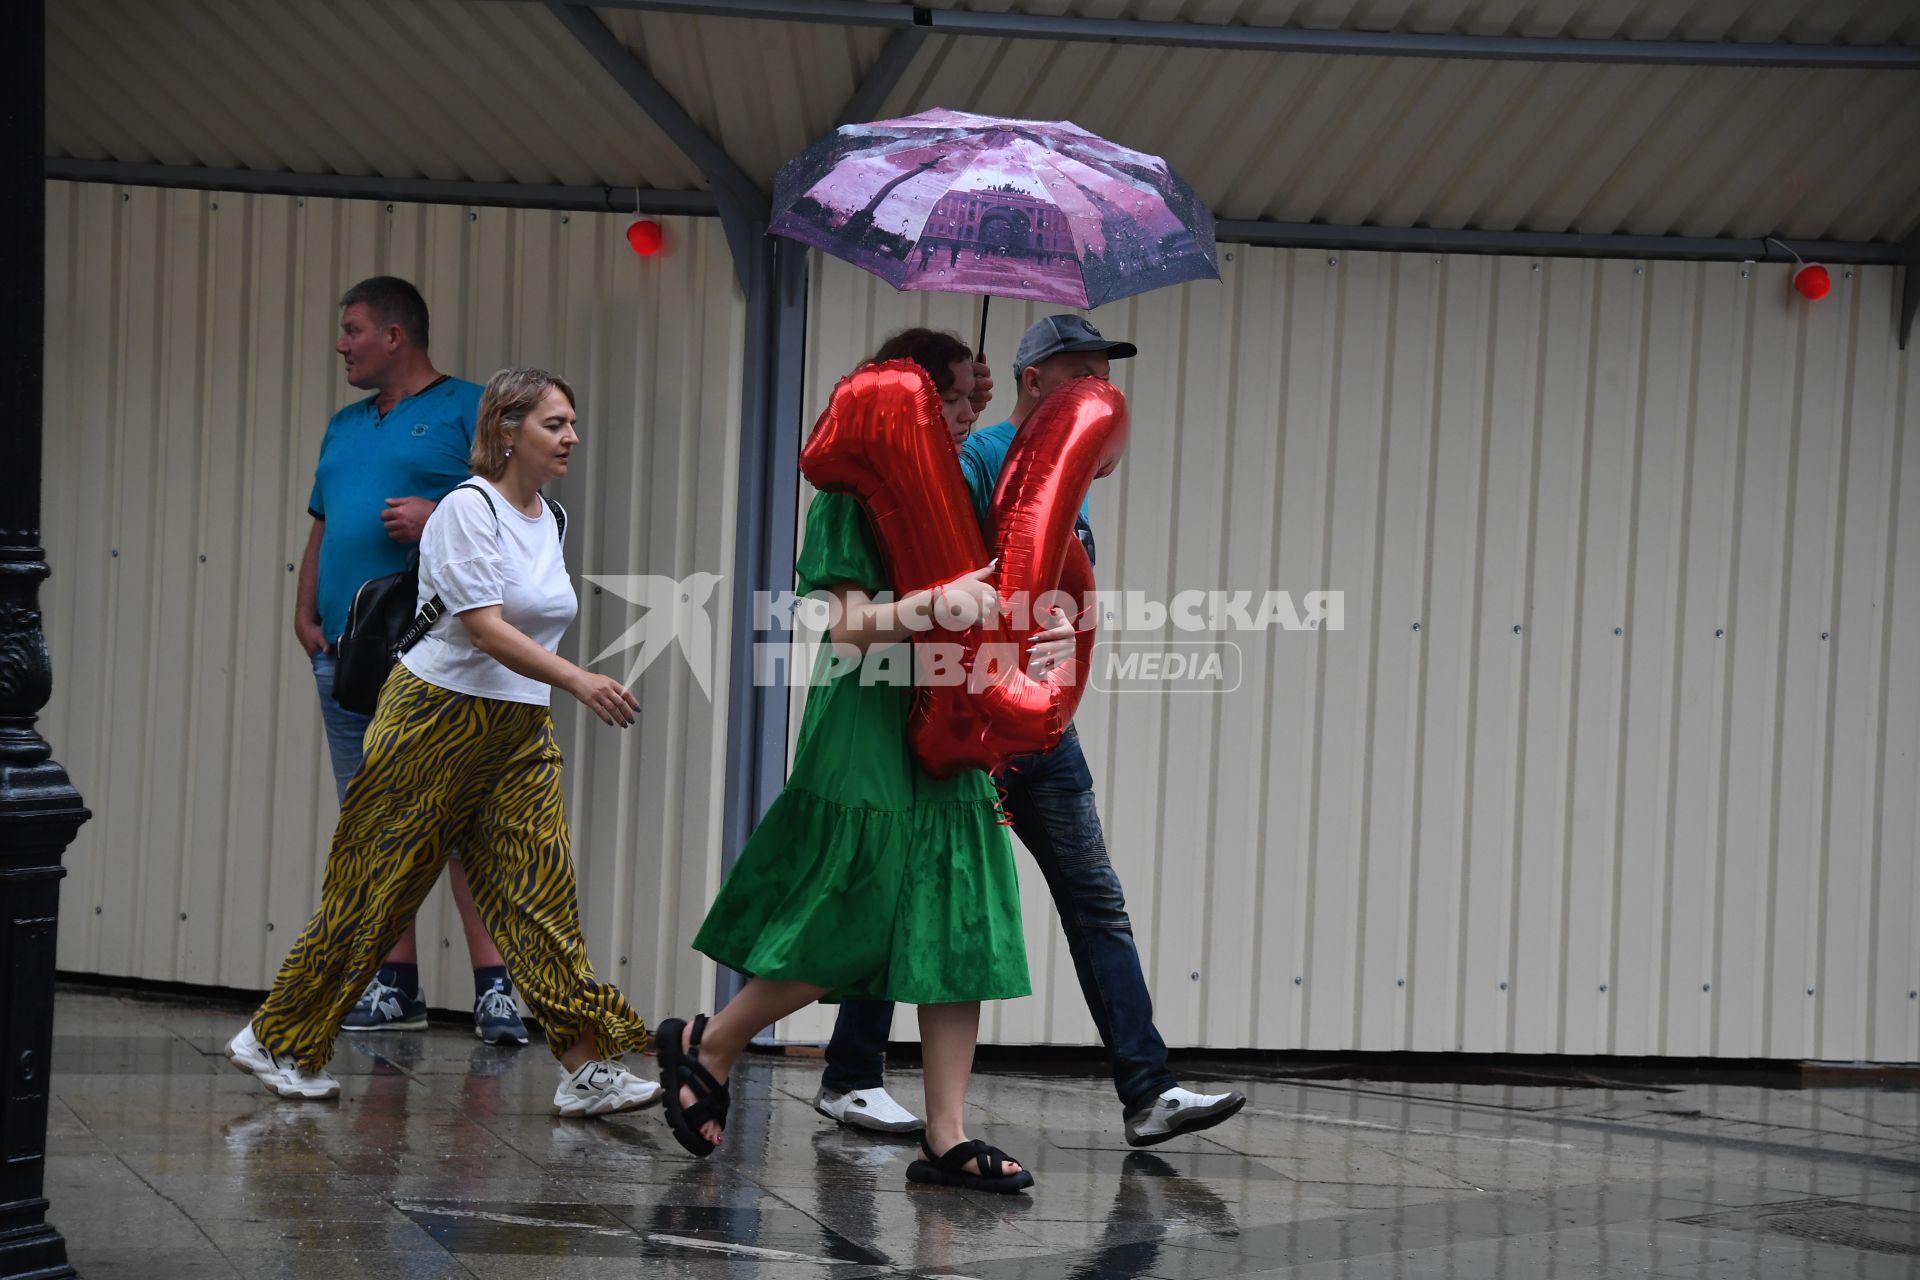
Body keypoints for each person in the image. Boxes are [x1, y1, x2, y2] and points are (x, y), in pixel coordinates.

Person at [814, 314, 1248, 1149]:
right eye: (1081, 376)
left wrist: (1054, 635)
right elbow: (937, 556)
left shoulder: (1067, 470)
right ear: (1034, 381)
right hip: (965, 717)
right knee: (906, 894)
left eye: (1105, 379)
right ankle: (850, 1074)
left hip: (1039, 724)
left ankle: (1148, 1090)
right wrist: (957, 407)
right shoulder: (980, 457)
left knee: (1093, 897)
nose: (1101, 394)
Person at [653, 329, 1070, 1194]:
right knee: (857, 903)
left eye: (971, 398)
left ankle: (945, 1136)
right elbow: (846, 626)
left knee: (963, 914)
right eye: (950, 398)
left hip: (955, 714)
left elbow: (1007, 595)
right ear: (909, 399)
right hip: (868, 719)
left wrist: (1046, 634)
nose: (965, 415)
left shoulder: (971, 484)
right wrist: (931, 603)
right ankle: (714, 1044)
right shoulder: (851, 492)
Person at [230, 368, 660, 1120]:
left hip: (517, 727)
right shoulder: (467, 509)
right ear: (506, 431)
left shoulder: (548, 519)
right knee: (375, 889)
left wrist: (556, 688)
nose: (571, 438)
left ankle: (585, 1068)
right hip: (434, 717)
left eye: (571, 423)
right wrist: (581, 681)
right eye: (555, 424)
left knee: (540, 895)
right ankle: (275, 1038)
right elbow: (485, 628)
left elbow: (523, 627)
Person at [295, 276, 528, 1045]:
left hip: (435, 656)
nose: (342, 344)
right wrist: (303, 613)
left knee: (460, 818)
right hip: (345, 656)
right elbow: (325, 524)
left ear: (396, 336)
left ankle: (496, 990)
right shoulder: (344, 424)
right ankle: (395, 986)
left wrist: (436, 519)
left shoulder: (467, 410)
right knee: (371, 820)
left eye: (353, 329)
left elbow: (515, 520)